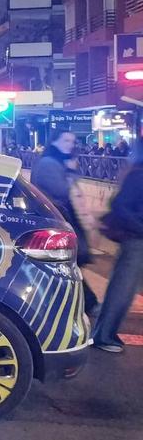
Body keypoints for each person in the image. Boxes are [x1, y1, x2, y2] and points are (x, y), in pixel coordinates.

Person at [32, 130, 99, 317]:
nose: (70, 144)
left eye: (73, 140)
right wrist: (70, 171)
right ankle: (88, 303)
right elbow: (62, 191)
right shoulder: (49, 163)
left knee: (67, 265)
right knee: (67, 265)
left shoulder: (55, 161)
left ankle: (85, 302)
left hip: (62, 219)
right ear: (54, 142)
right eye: (66, 140)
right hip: (58, 220)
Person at [91, 143, 143, 353]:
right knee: (122, 289)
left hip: (137, 237)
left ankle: (105, 332)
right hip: (136, 240)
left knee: (125, 289)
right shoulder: (138, 175)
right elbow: (120, 206)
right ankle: (104, 335)